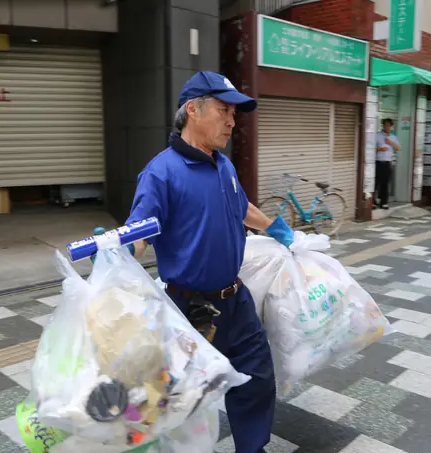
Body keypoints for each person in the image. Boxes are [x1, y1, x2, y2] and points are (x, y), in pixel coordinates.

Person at [94, 71, 294, 453]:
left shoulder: (223, 165)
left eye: (235, 114)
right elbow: (140, 233)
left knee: (256, 378)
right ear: (193, 110)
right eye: (224, 111)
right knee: (181, 395)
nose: (233, 122)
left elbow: (242, 208)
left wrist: (278, 230)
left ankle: (252, 448)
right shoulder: (161, 172)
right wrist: (115, 257)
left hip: (235, 299)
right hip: (191, 309)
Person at [375, 118, 401, 209]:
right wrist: (379, 149)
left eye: (388, 125)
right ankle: (373, 202)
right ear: (382, 126)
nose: (387, 127)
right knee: (376, 182)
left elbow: (398, 148)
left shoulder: (393, 137)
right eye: (385, 125)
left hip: (387, 162)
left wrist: (390, 142)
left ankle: (384, 202)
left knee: (385, 183)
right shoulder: (377, 135)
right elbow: (370, 147)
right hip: (378, 162)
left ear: (391, 126)